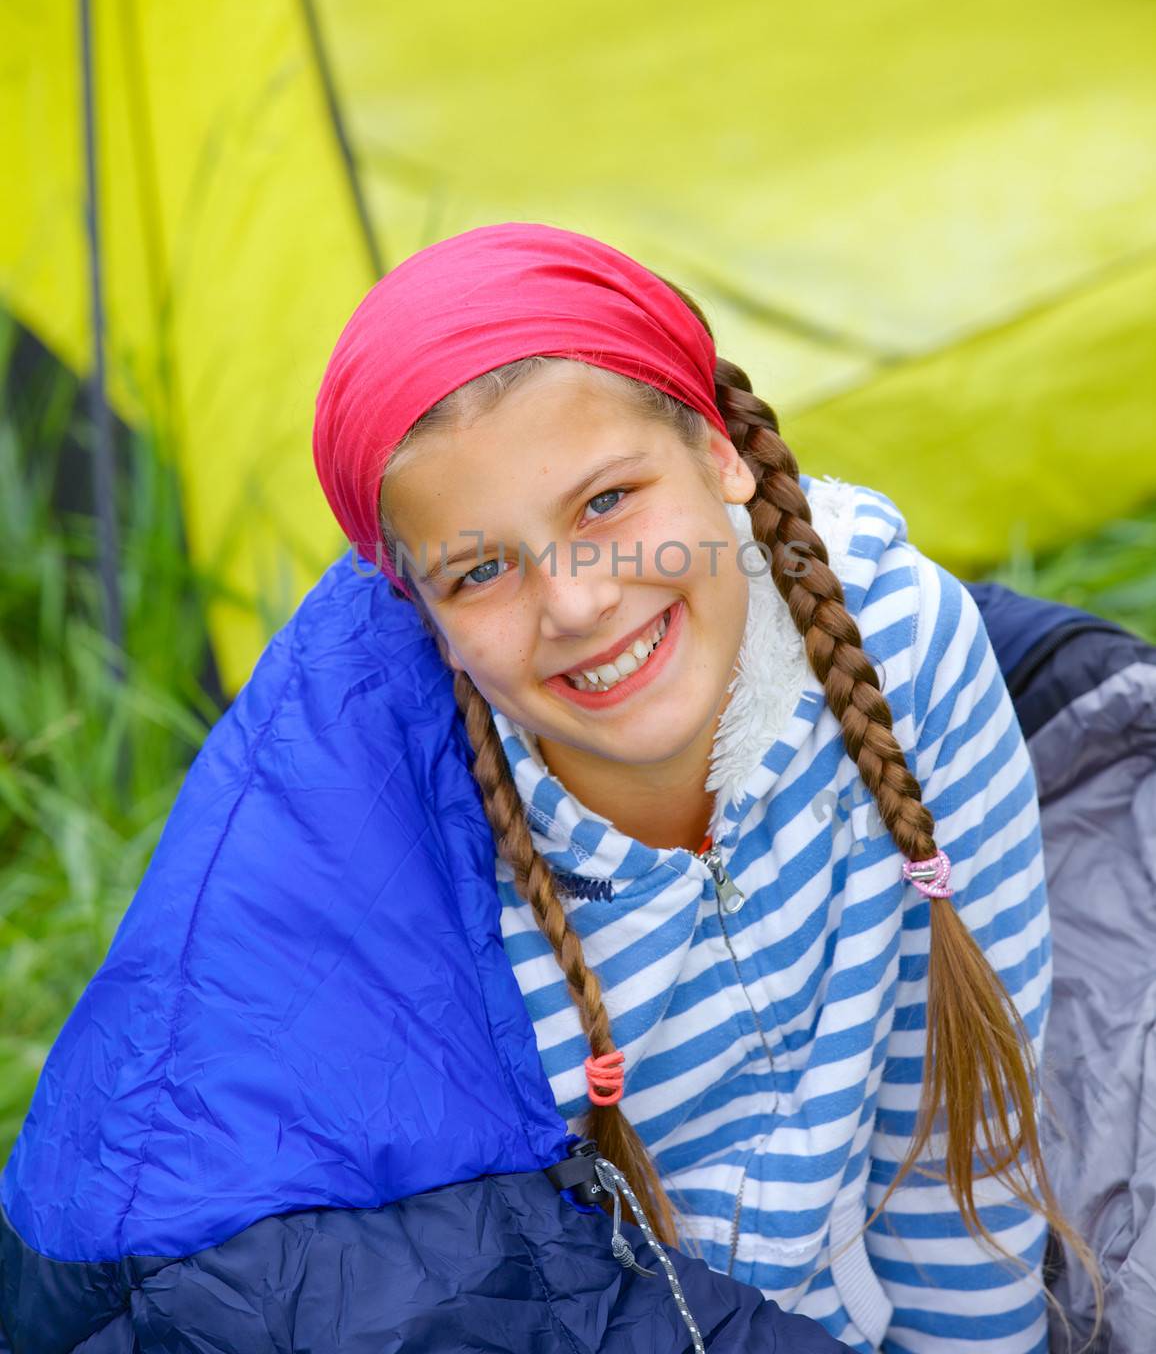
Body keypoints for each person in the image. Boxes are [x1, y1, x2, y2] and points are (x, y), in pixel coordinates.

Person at [0, 223, 1093, 1353]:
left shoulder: (901, 646)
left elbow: (962, 1125)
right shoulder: (437, 872)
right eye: (482, 570)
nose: (573, 604)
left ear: (716, 449)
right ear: (418, 613)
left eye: (606, 502)